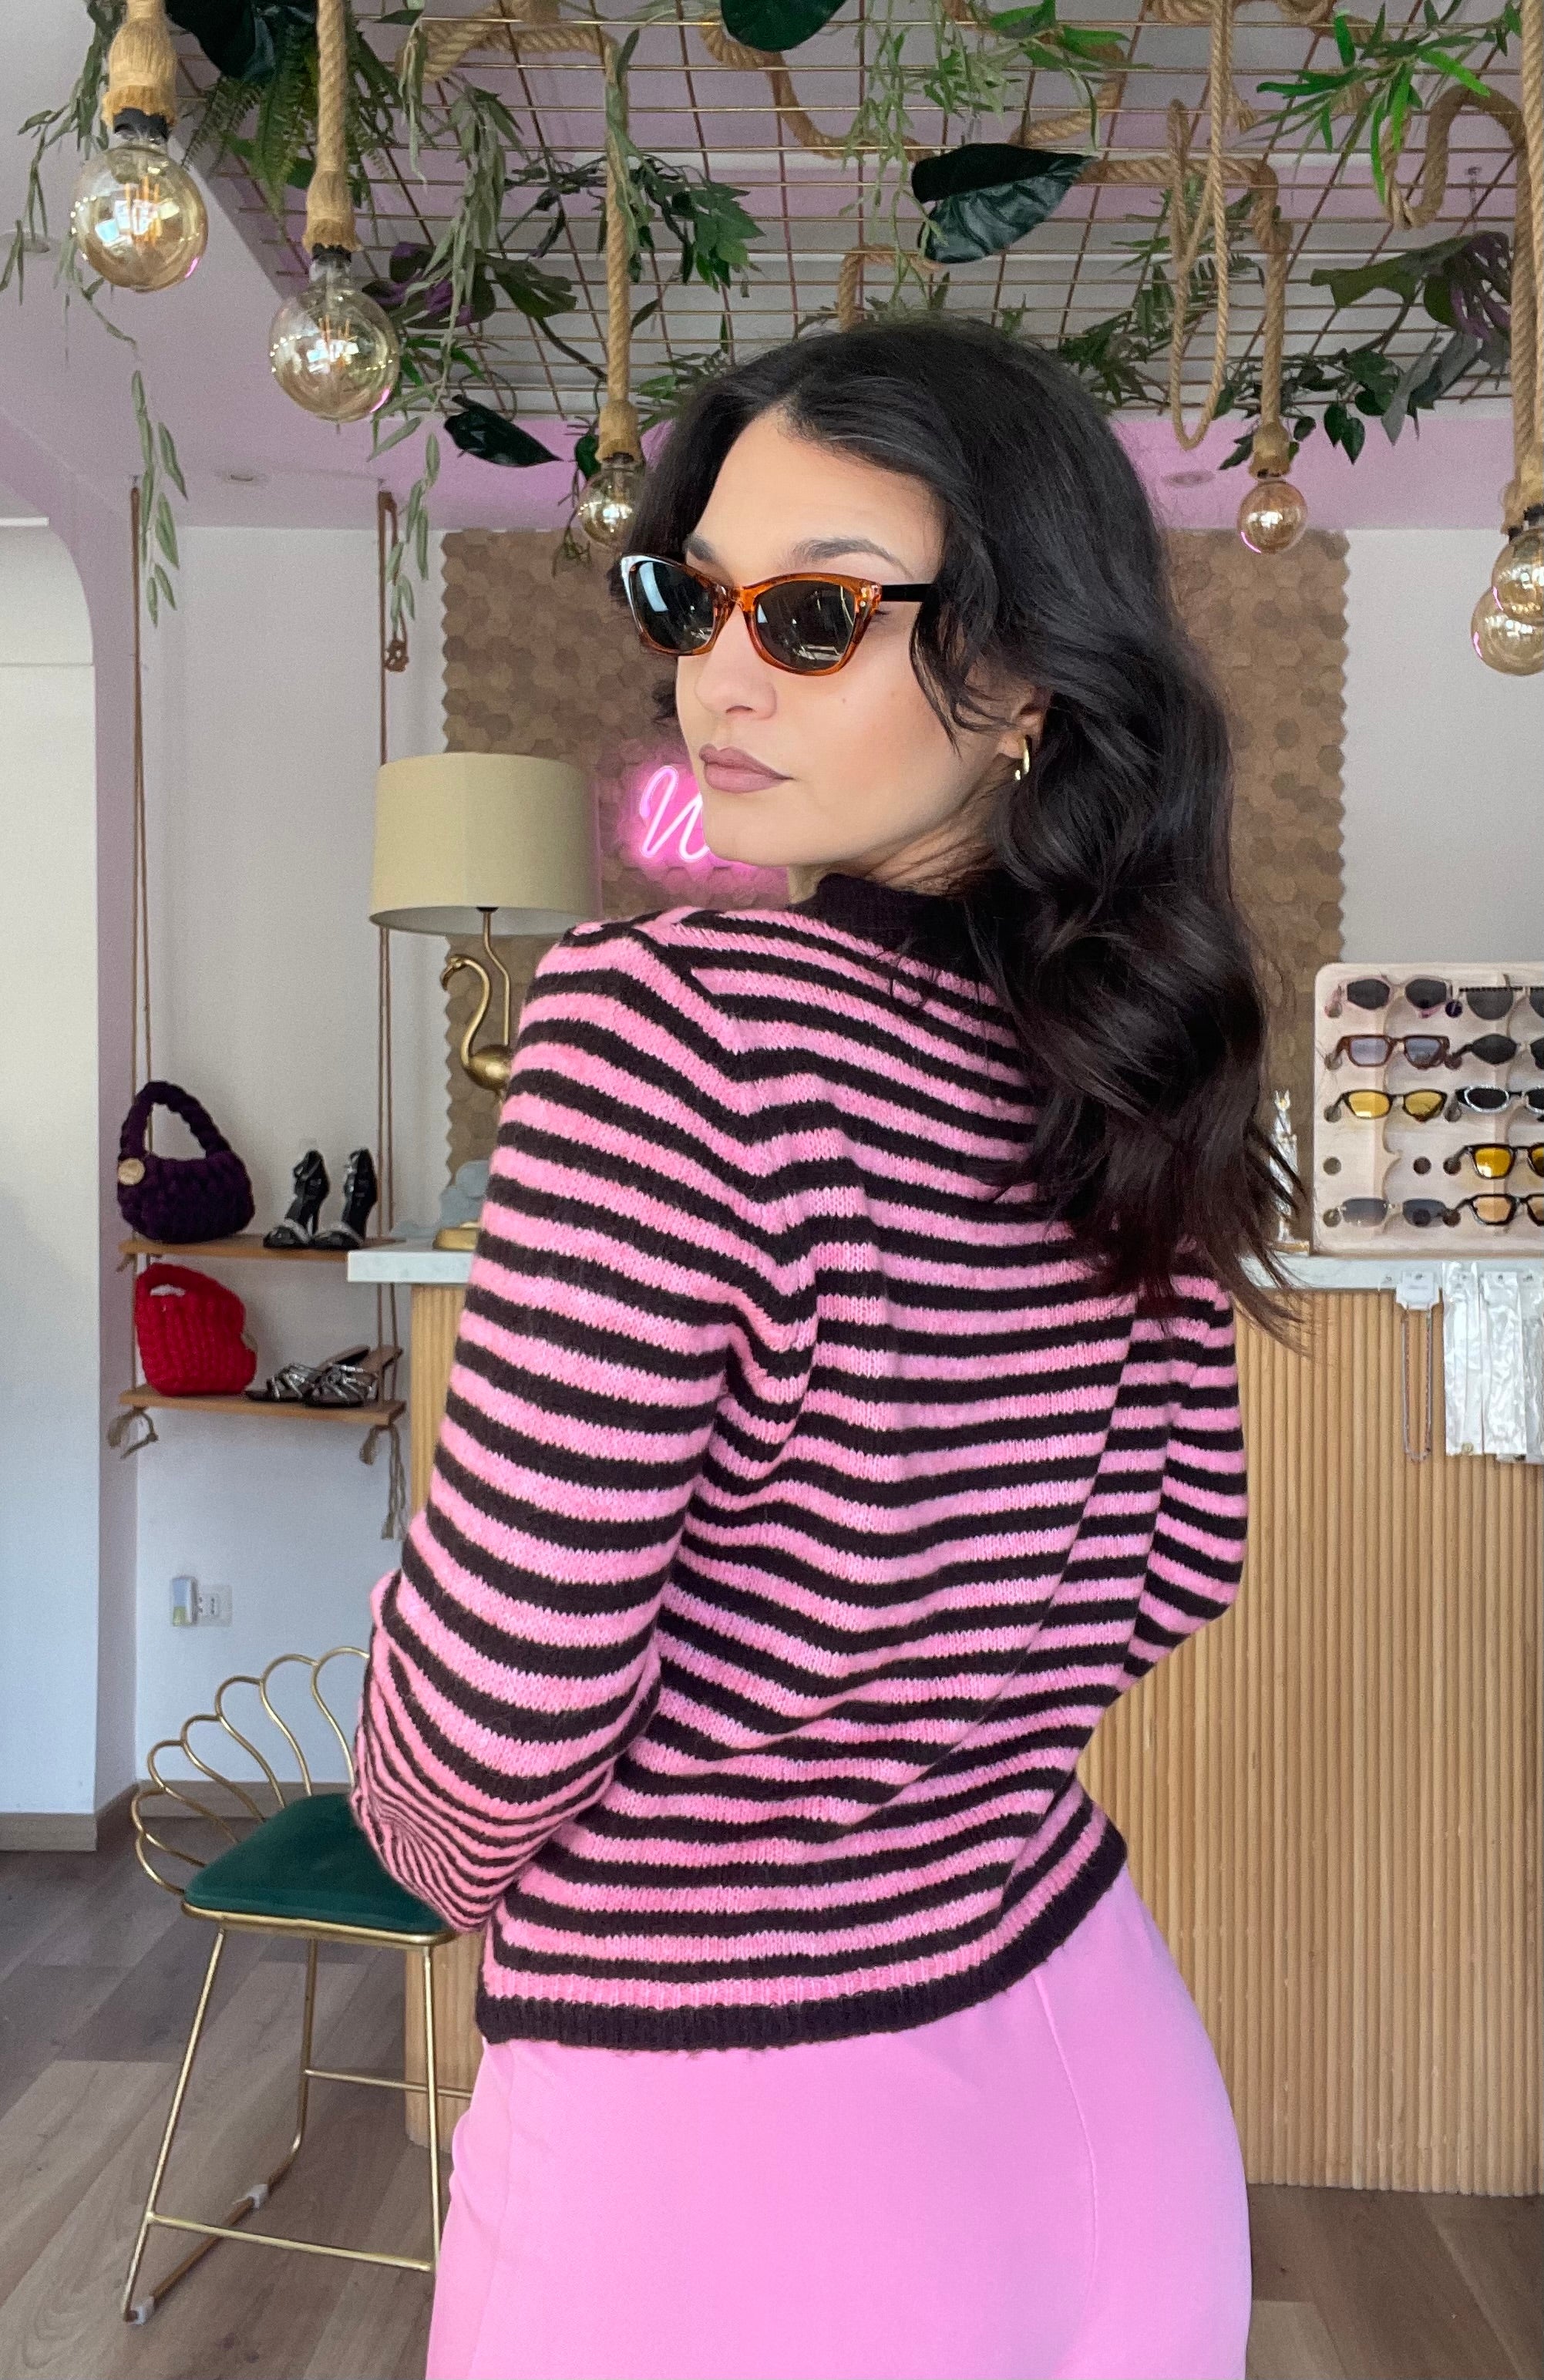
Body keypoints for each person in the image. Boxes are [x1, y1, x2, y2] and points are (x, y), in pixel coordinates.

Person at [352, 314, 1291, 2380]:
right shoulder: (1119, 1070)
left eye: (812, 615)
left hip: (724, 2152)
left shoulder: (666, 1029)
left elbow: (496, 1719)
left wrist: (411, 1834)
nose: (721, 675)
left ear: (1027, 679)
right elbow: (1181, 1561)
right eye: (692, 599)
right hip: (1098, 2074)